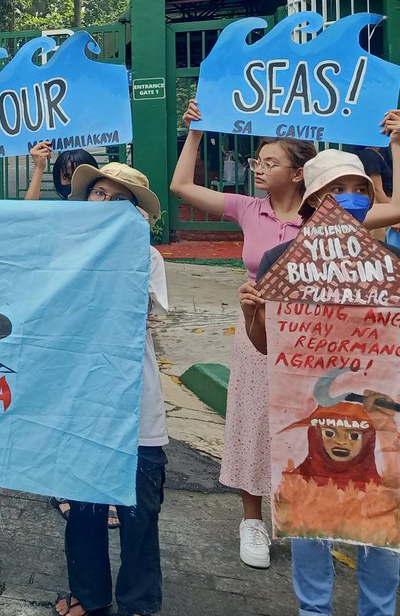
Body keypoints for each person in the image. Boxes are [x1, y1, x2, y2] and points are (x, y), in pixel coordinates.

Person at [239, 149, 400, 616]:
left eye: (359, 190)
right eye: (337, 189)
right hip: (306, 417)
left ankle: (380, 610)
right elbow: (268, 347)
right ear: (312, 199)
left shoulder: (391, 261)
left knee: (381, 521)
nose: (350, 199)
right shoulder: (280, 259)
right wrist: (253, 312)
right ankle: (314, 609)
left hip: (378, 422)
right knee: (309, 514)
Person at [169, 99, 317, 569]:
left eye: (271, 162)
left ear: (298, 173)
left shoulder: (325, 215)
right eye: (258, 160)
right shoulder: (250, 209)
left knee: (310, 426)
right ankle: (252, 520)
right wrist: (194, 130)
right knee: (254, 422)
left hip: (311, 339)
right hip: (256, 332)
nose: (258, 168)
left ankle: (301, 513)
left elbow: (391, 208)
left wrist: (395, 143)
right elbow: (180, 186)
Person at [53, 161, 169, 616]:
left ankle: (139, 603)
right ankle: (90, 597)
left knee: (141, 511)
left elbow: (136, 311)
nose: (106, 204)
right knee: (84, 509)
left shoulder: (149, 257)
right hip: (80, 400)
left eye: (120, 200)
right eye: (99, 194)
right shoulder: (65, 251)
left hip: (136, 403)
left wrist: (132, 245)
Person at [24, 143, 118, 529]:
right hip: (63, 330)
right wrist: (36, 168)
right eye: (65, 173)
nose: (70, 180)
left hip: (104, 334)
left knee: (102, 411)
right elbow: (26, 220)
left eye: (80, 172)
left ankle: (104, 491)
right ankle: (63, 486)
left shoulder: (117, 224)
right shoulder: (56, 217)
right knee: (63, 408)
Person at [24, 145, 99, 201]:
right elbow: (28, 213)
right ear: (58, 179)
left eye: (82, 177)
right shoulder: (56, 210)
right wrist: (38, 168)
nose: (74, 182)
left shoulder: (105, 203)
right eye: (68, 177)